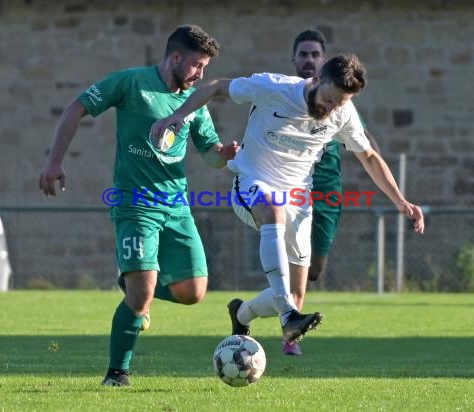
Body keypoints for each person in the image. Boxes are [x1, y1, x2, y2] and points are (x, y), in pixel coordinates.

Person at [152, 52, 425, 350]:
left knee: (294, 294)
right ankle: (289, 317)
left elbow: (369, 156)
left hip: (298, 199)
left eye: (339, 104)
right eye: (329, 99)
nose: (331, 109)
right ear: (316, 79)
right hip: (252, 182)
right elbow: (216, 86)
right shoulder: (274, 88)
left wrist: (400, 200)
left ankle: (242, 313)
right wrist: (178, 114)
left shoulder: (342, 114)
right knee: (273, 211)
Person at [38, 25, 238, 387]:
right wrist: (55, 161)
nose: (200, 74)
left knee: (193, 293)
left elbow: (210, 155)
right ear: (175, 57)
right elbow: (76, 108)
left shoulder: (194, 103)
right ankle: (117, 373)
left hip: (177, 207)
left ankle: (131, 286)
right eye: (196, 65)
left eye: (206, 67)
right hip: (135, 205)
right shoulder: (132, 83)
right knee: (142, 296)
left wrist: (222, 156)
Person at [283, 29, 382, 355]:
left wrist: (379, 172)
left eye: (314, 54)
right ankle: (291, 332)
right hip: (288, 186)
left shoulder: (340, 102)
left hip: (326, 190)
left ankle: (266, 301)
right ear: (294, 60)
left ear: (323, 61)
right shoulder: (284, 94)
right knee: (290, 256)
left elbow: (365, 145)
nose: (308, 60)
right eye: (303, 54)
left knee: (314, 269)